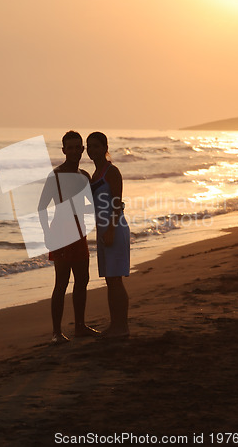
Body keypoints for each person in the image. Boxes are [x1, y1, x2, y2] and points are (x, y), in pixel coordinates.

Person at [38, 131, 100, 344]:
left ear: (82, 149)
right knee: (62, 282)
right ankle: (56, 332)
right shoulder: (56, 175)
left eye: (77, 147)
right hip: (61, 232)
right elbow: (41, 207)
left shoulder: (84, 176)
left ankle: (80, 326)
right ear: (63, 150)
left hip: (79, 231)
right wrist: (47, 233)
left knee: (82, 280)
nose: (74, 151)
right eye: (69, 148)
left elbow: (90, 205)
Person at [86, 132, 130, 338]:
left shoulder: (111, 172)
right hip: (103, 230)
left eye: (96, 146)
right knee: (110, 280)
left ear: (105, 148)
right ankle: (116, 325)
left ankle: (121, 326)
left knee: (115, 279)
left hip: (115, 228)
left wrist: (111, 230)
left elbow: (116, 203)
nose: (92, 150)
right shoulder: (94, 175)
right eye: (89, 146)